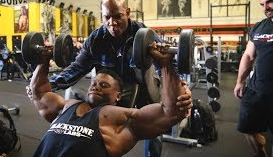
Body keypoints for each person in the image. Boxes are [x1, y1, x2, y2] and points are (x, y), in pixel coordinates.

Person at [27, 41, 192, 157]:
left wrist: (165, 65)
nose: (96, 86)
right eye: (94, 83)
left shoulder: (121, 117)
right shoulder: (66, 106)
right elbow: (40, 93)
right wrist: (43, 61)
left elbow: (170, 113)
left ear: (118, 96)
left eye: (104, 85)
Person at [233, 0, 273, 157]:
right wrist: (240, 81)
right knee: (246, 127)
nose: (266, 8)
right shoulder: (258, 27)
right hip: (257, 89)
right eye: (263, 4)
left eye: (270, 2)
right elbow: (248, 56)